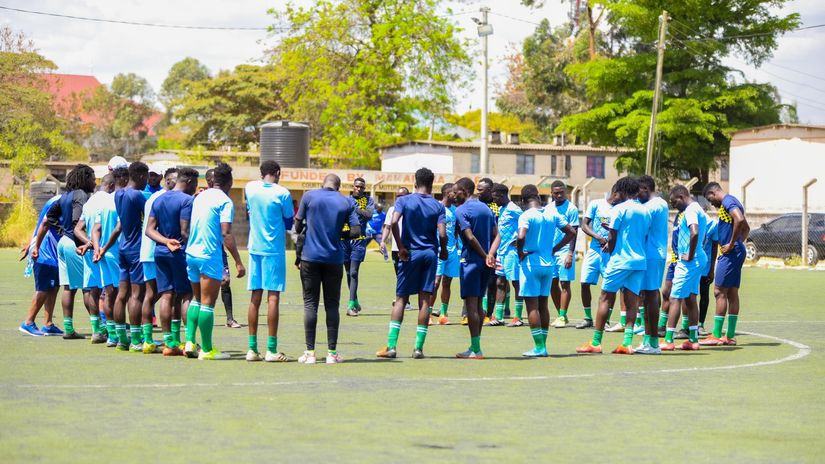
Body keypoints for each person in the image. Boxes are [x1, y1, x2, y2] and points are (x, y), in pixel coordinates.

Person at [376, 168, 447, 359]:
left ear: (415, 183)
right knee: (425, 300)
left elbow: (393, 223)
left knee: (401, 299)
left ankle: (391, 347)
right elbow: (442, 234)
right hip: (430, 254)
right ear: (432, 184)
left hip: (410, 254)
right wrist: (444, 250)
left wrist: (400, 247)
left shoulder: (404, 201)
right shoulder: (438, 206)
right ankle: (418, 348)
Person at [577, 176, 650, 355]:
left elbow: (612, 235)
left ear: (622, 190)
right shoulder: (645, 210)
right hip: (639, 261)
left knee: (605, 298)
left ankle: (596, 342)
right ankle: (627, 343)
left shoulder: (619, 209)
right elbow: (638, 233)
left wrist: (609, 248)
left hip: (620, 260)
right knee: (632, 301)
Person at [183, 163, 245, 360]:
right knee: (208, 303)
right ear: (229, 182)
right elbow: (226, 233)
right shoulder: (225, 201)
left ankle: (190, 342)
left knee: (196, 299)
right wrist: (238, 261)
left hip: (191, 253)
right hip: (208, 255)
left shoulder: (200, 197)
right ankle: (207, 350)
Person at [294, 174, 359, 364]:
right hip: (334, 259)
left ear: (323, 184)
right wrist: (338, 233)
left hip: (309, 257)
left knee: (310, 304)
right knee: (332, 305)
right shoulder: (346, 201)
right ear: (338, 187)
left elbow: (297, 227)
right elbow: (356, 231)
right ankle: (332, 353)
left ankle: (310, 353)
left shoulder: (309, 196)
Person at [33, 164, 96, 340]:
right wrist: (85, 240)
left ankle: (68, 328)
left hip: (63, 243)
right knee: (88, 287)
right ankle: (98, 329)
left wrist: (62, 231)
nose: (94, 182)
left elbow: (49, 217)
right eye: (92, 178)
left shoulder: (65, 196)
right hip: (76, 244)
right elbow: (77, 222)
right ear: (84, 178)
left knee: (69, 287)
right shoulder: (81, 195)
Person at [145, 167, 199, 356]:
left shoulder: (159, 199)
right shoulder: (186, 200)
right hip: (179, 252)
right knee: (187, 295)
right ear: (190, 182)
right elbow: (185, 231)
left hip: (160, 252)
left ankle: (170, 342)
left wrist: (165, 241)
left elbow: (149, 230)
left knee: (167, 295)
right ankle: (190, 342)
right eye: (195, 184)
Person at [243, 161, 293, 362]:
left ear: (261, 173)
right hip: (274, 250)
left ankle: (252, 349)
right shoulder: (283, 193)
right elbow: (289, 221)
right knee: (273, 298)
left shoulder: (249, 188)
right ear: (278, 173)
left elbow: (249, 212)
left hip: (254, 248)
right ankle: (271, 350)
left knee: (255, 297)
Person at [515, 195, 576, 356]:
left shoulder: (526, 215)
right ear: (539, 200)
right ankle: (543, 345)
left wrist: (520, 252)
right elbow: (571, 231)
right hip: (548, 265)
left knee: (532, 306)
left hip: (531, 265)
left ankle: (539, 347)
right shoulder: (552, 213)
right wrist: (555, 248)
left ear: (523, 201)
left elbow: (521, 236)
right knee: (543, 305)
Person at [701, 182, 749, 346]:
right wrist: (738, 244)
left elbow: (739, 219)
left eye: (710, 200)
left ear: (713, 193)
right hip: (735, 251)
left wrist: (731, 244)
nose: (711, 204)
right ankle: (729, 336)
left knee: (719, 291)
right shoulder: (730, 202)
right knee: (732, 292)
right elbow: (746, 228)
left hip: (730, 253)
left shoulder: (728, 201)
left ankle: (716, 335)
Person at [454, 177, 497, 359]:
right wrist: (490, 254)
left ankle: (476, 349)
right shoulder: (486, 209)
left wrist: (485, 255)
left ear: (464, 191)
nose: (453, 195)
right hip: (485, 264)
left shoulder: (461, 210)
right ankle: (475, 346)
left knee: (471, 305)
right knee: (479, 303)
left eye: (456, 191)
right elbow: (497, 235)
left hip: (471, 261)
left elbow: (470, 237)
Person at [662, 185, 708, 351]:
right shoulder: (698, 208)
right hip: (698, 258)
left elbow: (694, 232)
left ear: (681, 197)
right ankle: (693, 339)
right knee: (690, 298)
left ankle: (668, 340)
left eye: (674, 202)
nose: (673, 206)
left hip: (689, 261)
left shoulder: (690, 210)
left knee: (675, 298)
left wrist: (690, 254)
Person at [73, 174, 117, 344]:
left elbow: (78, 229)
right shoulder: (110, 200)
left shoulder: (89, 202)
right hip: (107, 250)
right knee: (111, 290)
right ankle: (113, 332)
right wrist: (98, 245)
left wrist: (89, 243)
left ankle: (96, 330)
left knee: (92, 289)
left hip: (91, 250)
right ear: (112, 186)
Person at [92, 167, 128, 347]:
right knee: (122, 295)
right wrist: (105, 248)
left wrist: (97, 249)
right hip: (116, 253)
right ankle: (121, 336)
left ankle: (112, 336)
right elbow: (119, 228)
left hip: (104, 254)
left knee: (108, 294)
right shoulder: (120, 200)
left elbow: (95, 229)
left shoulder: (104, 202)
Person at [19, 193, 63, 336]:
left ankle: (48, 324)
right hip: (44, 253)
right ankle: (28, 322)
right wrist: (34, 246)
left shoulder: (64, 200)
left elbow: (40, 223)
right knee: (43, 288)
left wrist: (30, 243)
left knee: (54, 287)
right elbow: (43, 223)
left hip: (53, 254)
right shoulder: (58, 201)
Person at [634, 175, 670, 353]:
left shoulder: (653, 205)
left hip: (651, 254)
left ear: (645, 189)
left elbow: (640, 227)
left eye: (637, 191)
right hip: (652, 253)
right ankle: (648, 339)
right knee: (647, 296)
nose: (636, 195)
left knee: (650, 296)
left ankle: (654, 342)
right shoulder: (658, 204)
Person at [139, 167, 175, 337]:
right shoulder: (165, 198)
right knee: (169, 294)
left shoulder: (152, 198)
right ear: (167, 180)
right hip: (159, 250)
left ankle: (146, 338)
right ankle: (171, 338)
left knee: (151, 295)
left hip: (147, 249)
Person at [204, 168, 240, 328]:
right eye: (211, 178)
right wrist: (238, 261)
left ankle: (230, 318)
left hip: (217, 249)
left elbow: (225, 232)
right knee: (201, 290)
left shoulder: (221, 199)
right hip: (204, 250)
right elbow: (226, 233)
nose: (213, 180)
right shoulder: (201, 197)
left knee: (225, 281)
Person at [577, 190, 617, 329]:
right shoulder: (596, 204)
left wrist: (610, 243)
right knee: (584, 283)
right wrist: (598, 237)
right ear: (616, 193)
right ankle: (587, 318)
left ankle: (606, 320)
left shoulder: (621, 209)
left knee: (610, 287)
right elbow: (584, 225)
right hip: (594, 250)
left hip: (610, 253)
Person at [487, 183, 524, 326]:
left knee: (516, 282)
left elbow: (527, 224)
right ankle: (499, 316)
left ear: (502, 195)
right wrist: (492, 252)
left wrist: (520, 241)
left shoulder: (514, 209)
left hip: (512, 252)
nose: (493, 200)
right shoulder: (502, 209)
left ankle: (518, 317)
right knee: (500, 282)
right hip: (501, 252)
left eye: (495, 197)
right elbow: (500, 233)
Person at [546, 180, 580, 328]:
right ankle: (561, 315)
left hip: (565, 250)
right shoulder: (548, 208)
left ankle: (561, 315)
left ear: (565, 192)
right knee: (552, 283)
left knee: (565, 283)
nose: (559, 195)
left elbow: (574, 232)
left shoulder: (571, 209)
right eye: (556, 193)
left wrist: (570, 253)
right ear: (551, 193)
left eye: (561, 192)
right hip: (550, 251)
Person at [343, 177, 374, 316]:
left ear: (364, 188)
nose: (359, 189)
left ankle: (350, 306)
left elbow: (369, 214)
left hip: (360, 240)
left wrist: (354, 209)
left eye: (361, 187)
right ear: (353, 187)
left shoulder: (368, 200)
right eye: (356, 186)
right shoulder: (346, 199)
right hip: (344, 239)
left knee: (354, 272)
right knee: (348, 273)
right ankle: (354, 300)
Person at [429, 183, 459, 325]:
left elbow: (456, 229)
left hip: (452, 250)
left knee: (447, 282)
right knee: (435, 283)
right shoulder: (436, 208)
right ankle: (428, 314)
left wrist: (457, 245)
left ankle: (443, 314)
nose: (456, 195)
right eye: (454, 193)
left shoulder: (455, 210)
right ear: (447, 193)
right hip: (439, 250)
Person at [381, 187, 411, 311]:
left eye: (401, 196)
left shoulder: (412, 209)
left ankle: (404, 300)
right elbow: (387, 227)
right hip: (395, 248)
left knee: (406, 274)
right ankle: (403, 299)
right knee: (399, 274)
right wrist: (382, 241)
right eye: (397, 196)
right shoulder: (392, 210)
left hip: (409, 247)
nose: (398, 198)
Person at [476, 177, 499, 323]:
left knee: (491, 282)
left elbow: (496, 231)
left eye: (481, 189)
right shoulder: (474, 204)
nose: (478, 192)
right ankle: (471, 312)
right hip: (475, 249)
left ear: (489, 190)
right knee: (474, 281)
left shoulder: (495, 206)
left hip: (492, 250)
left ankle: (489, 314)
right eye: (477, 189)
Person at [699, 217, 719, 334]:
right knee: (689, 295)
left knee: (704, 293)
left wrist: (712, 269)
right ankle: (688, 325)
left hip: (705, 265)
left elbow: (715, 246)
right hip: (692, 264)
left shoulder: (713, 224)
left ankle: (700, 324)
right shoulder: (690, 218)